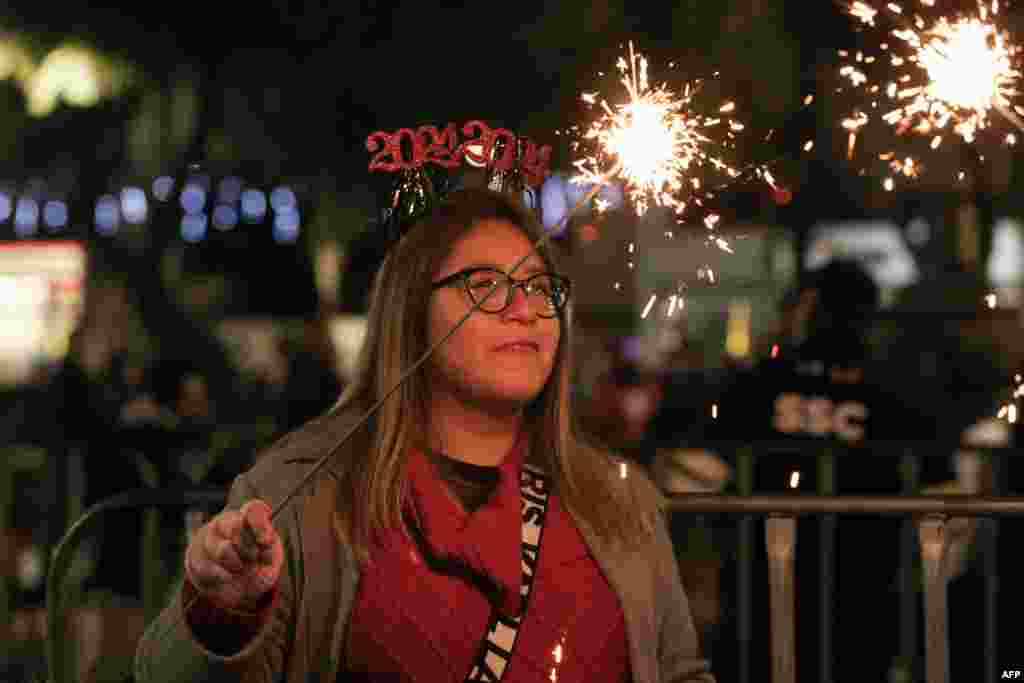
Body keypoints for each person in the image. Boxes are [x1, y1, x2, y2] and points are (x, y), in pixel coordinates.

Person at [135, 188, 715, 683]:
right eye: (487, 286)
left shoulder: (618, 499)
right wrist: (224, 613)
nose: (525, 310)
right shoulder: (304, 491)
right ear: (411, 311)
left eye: (541, 289)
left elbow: (681, 671)